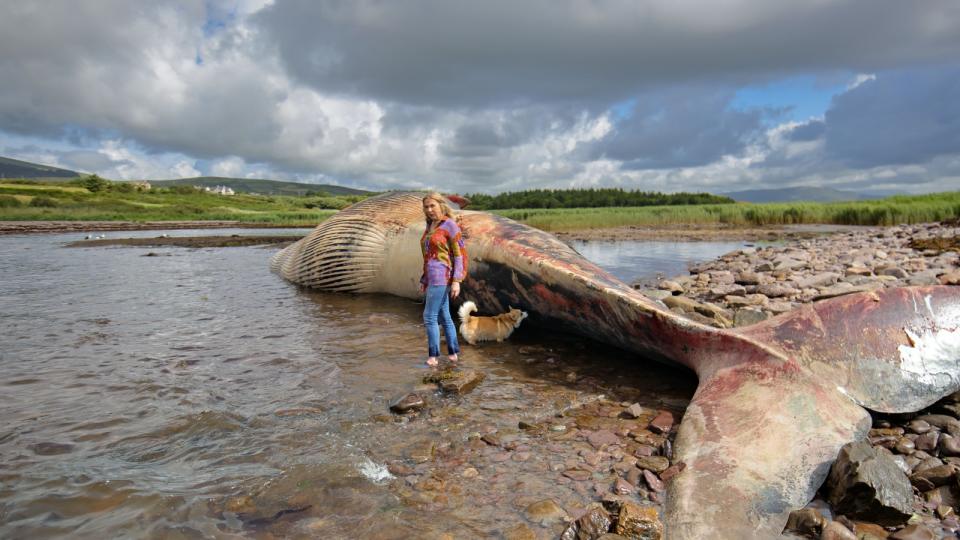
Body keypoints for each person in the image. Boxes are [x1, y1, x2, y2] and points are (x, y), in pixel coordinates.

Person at [419, 192, 466, 367]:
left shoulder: (450, 225)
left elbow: (459, 255)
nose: (430, 210)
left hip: (442, 276)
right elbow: (427, 257)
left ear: (441, 205)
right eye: (426, 207)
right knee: (444, 316)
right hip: (432, 277)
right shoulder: (430, 226)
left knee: (429, 316)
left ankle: (433, 357)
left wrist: (456, 281)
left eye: (433, 206)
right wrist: (424, 278)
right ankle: (453, 353)